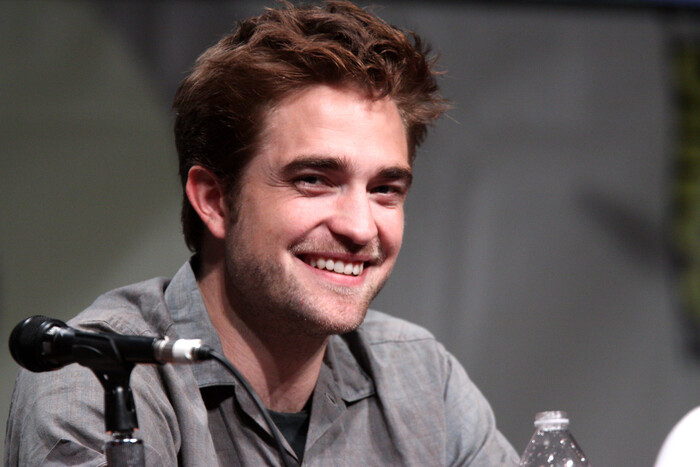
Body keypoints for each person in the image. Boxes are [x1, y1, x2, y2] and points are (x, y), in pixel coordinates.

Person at [5, 2, 518, 465]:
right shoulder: (95, 376)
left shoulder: (421, 376)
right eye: (314, 180)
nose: (361, 228)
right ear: (215, 200)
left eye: (385, 189)